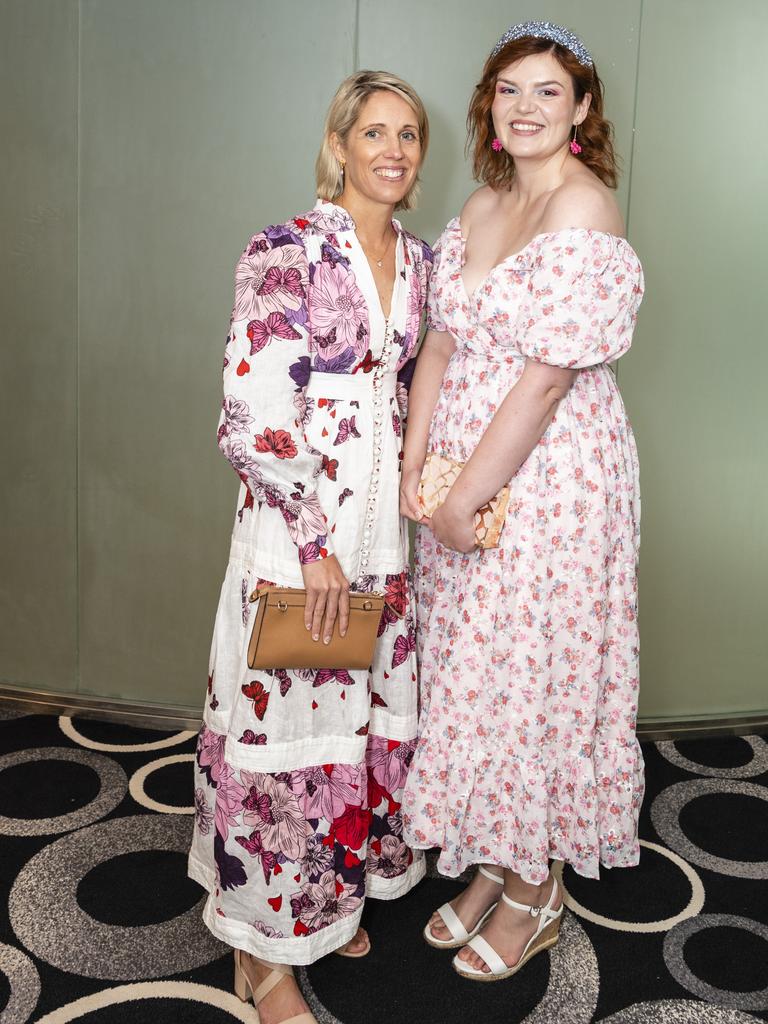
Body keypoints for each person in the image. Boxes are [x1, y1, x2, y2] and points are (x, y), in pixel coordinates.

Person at [400, 21, 645, 982]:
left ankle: (537, 889)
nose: (527, 106)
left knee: (535, 674)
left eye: (549, 91)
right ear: (490, 108)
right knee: (477, 672)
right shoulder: (482, 200)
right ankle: (499, 859)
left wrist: (468, 491)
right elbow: (445, 343)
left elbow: (545, 380)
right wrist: (419, 469)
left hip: (550, 480)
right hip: (463, 469)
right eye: (510, 90)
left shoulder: (586, 211)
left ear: (581, 109)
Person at [188, 70, 433, 1024]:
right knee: (284, 727)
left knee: (353, 720)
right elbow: (251, 411)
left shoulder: (415, 263)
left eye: (408, 135)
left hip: (382, 535)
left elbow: (409, 393)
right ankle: (262, 957)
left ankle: (320, 909)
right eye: (373, 133)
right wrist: (315, 541)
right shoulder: (285, 249)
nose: (393, 151)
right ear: (339, 146)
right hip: (305, 535)